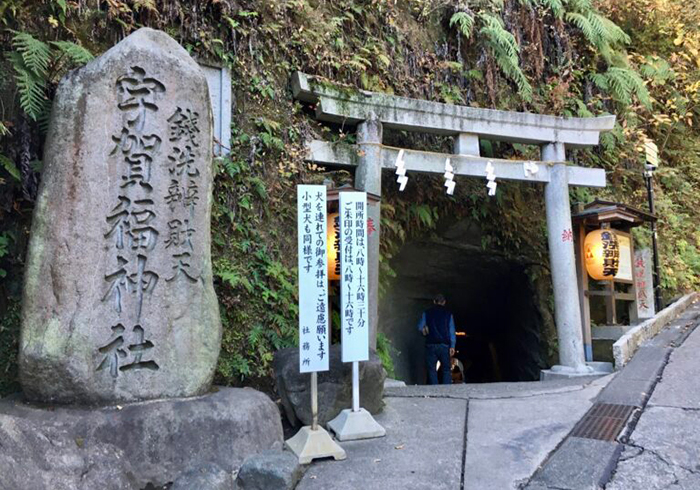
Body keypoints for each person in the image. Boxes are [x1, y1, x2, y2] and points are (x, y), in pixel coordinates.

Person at [417, 294, 456, 385]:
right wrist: (452, 346)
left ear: (434, 302)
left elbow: (419, 327)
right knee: (446, 369)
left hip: (431, 344)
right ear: (444, 302)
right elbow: (451, 331)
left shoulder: (427, 313)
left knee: (432, 369)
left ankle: (435, 389)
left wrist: (425, 330)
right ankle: (447, 389)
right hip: (444, 345)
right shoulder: (448, 314)